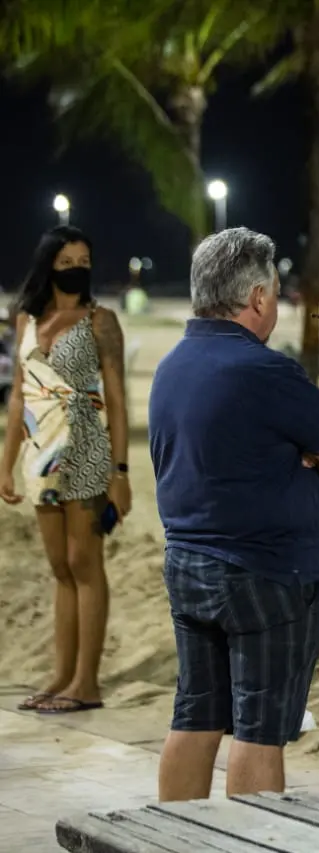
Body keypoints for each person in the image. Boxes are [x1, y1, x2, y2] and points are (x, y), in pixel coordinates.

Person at [149, 228, 319, 800]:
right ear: (259, 297)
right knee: (260, 733)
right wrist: (302, 453)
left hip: (187, 563)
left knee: (194, 718)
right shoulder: (266, 370)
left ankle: (171, 839)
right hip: (265, 573)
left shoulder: (171, 366)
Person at [1, 226, 130, 715]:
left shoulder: (101, 320)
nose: (77, 267)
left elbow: (117, 399)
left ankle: (87, 683)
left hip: (86, 449)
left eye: (84, 260)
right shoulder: (27, 320)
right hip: (40, 453)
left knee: (84, 564)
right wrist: (6, 463)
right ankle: (62, 673)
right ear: (49, 264)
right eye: (67, 260)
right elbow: (19, 395)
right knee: (59, 569)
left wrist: (120, 471)